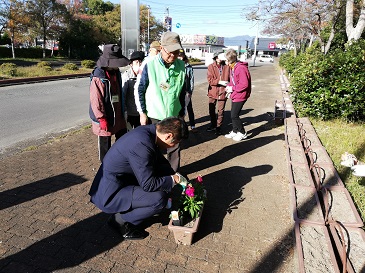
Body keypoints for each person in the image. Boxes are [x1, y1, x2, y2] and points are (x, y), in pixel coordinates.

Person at [88, 117, 189, 240]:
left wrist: (174, 176)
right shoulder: (141, 144)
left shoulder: (149, 132)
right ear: (168, 136)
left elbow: (159, 162)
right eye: (175, 143)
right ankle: (119, 220)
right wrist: (173, 180)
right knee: (158, 199)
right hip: (111, 192)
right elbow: (148, 184)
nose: (173, 146)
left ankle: (134, 207)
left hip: (123, 180)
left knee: (162, 187)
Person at [135, 31, 186, 172]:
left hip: (173, 114)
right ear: (162, 48)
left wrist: (182, 113)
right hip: (154, 115)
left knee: (175, 146)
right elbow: (140, 90)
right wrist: (142, 113)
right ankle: (152, 174)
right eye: (170, 52)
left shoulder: (181, 66)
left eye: (176, 52)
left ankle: (173, 174)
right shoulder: (149, 64)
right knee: (152, 147)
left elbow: (182, 92)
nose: (173, 55)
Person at [89, 44, 129, 161]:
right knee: (105, 144)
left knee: (122, 137)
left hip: (117, 113)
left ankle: (118, 160)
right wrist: (101, 118)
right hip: (104, 116)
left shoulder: (116, 73)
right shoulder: (98, 77)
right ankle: (105, 167)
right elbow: (96, 100)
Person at [224, 48, 252, 141]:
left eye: (226, 60)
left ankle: (242, 132)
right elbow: (234, 81)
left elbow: (244, 84)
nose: (225, 62)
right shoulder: (234, 67)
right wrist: (229, 86)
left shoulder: (240, 68)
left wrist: (232, 88)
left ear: (230, 60)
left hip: (241, 94)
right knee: (233, 114)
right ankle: (235, 131)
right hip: (236, 94)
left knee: (234, 115)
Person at [206, 52, 230, 135]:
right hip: (213, 91)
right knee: (211, 109)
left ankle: (218, 126)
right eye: (217, 57)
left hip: (223, 92)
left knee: (221, 111)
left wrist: (228, 86)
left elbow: (231, 79)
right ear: (215, 58)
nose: (219, 59)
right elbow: (210, 80)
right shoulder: (210, 66)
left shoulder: (227, 67)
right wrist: (219, 81)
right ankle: (213, 124)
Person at [122, 51, 145, 129]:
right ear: (131, 64)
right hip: (130, 113)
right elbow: (123, 95)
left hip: (143, 113)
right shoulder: (126, 76)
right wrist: (124, 113)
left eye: (141, 62)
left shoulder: (145, 75)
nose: (139, 65)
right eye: (136, 62)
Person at [178, 50, 196, 132]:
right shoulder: (175, 65)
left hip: (186, 91)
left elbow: (191, 79)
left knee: (189, 109)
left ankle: (192, 126)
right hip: (177, 92)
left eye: (181, 55)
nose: (180, 57)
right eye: (178, 55)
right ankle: (181, 127)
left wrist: (190, 91)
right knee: (179, 110)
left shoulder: (188, 66)